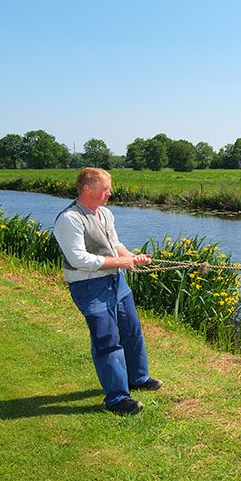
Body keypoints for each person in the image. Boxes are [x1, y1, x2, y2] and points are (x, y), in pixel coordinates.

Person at [53, 167, 162, 415]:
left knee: (132, 331)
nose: (109, 193)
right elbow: (78, 259)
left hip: (116, 282)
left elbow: (115, 245)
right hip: (88, 286)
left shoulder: (105, 214)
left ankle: (138, 378)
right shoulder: (69, 219)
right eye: (105, 189)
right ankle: (117, 399)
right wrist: (119, 263)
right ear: (87, 189)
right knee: (107, 341)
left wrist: (133, 258)